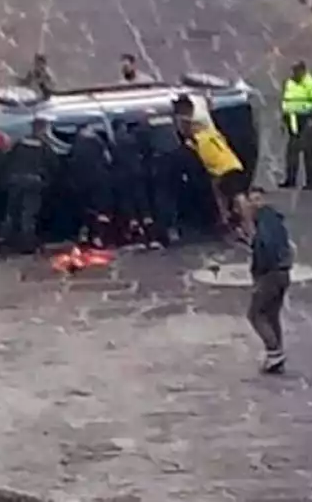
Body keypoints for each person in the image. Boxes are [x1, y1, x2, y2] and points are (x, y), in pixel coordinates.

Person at [177, 100, 254, 240]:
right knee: (222, 193)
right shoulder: (210, 134)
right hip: (226, 167)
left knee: (238, 197)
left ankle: (250, 229)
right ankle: (228, 220)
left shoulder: (201, 138)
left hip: (225, 167)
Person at [247, 187, 292, 374]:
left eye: (256, 199)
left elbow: (265, 249)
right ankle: (277, 355)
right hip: (283, 273)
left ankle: (273, 351)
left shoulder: (264, 226)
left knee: (255, 314)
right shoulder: (275, 220)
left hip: (270, 274)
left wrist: (258, 273)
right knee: (272, 315)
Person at [0, 115, 58, 255]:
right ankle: (27, 245)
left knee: (12, 212)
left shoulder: (20, 142)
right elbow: (54, 165)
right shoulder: (44, 146)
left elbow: (7, 160)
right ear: (43, 129)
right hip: (33, 183)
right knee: (28, 214)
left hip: (15, 181)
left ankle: (4, 240)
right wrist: (46, 182)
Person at [111, 118, 159, 247]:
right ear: (121, 127)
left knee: (129, 208)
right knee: (143, 205)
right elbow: (143, 147)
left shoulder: (112, 141)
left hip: (121, 177)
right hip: (136, 175)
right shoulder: (130, 139)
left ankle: (138, 238)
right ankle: (152, 237)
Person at [67, 124, 114, 248]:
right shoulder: (98, 142)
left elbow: (71, 163)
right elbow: (108, 159)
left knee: (85, 209)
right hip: (99, 180)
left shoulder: (75, 143)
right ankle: (98, 237)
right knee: (101, 209)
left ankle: (83, 235)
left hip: (81, 182)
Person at [279, 62, 312, 190]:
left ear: (303, 71)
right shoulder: (290, 83)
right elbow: (286, 100)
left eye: (296, 71)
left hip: (307, 119)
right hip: (292, 119)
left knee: (308, 150)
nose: (294, 74)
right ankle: (290, 179)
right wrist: (283, 119)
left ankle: (310, 181)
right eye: (293, 71)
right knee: (292, 150)